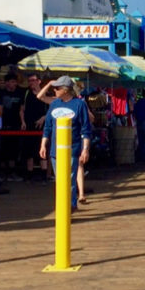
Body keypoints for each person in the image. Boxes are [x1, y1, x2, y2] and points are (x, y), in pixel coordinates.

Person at [39, 76, 92, 212]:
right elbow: (48, 127)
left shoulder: (79, 104)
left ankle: (70, 205)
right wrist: (43, 144)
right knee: (60, 180)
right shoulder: (54, 104)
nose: (54, 90)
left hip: (73, 148)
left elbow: (86, 129)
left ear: (65, 90)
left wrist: (85, 149)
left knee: (70, 178)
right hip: (55, 149)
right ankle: (65, 205)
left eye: (57, 88)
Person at [21, 74, 49, 181]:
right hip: (29, 125)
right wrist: (23, 121)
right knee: (29, 152)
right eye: (29, 81)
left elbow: (52, 109)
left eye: (33, 80)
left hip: (42, 127)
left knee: (42, 151)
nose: (31, 82)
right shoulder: (27, 93)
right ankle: (30, 175)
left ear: (39, 81)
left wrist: (44, 118)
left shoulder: (46, 94)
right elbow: (22, 109)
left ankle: (44, 175)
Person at [0, 73, 24, 181]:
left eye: (15, 82)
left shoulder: (20, 93)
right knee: (3, 150)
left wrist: (22, 122)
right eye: (12, 82)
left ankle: (12, 173)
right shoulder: (0, 94)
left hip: (15, 125)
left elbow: (21, 109)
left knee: (14, 150)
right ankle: (3, 173)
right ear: (6, 82)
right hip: (3, 125)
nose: (13, 84)